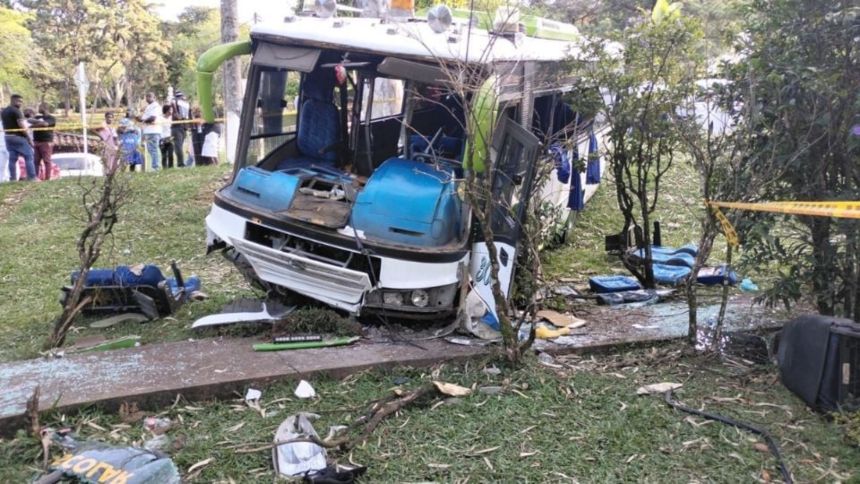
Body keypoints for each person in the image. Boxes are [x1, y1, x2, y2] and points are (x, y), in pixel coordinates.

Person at [1, 94, 36, 181]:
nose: (20, 103)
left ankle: (12, 178)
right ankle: (32, 177)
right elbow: (22, 126)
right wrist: (29, 138)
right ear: (13, 100)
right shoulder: (16, 111)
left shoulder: (4, 111)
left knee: (12, 159)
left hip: (8, 137)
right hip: (18, 137)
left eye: (21, 102)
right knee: (29, 156)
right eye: (19, 101)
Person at [32, 103, 57, 180]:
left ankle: (47, 178)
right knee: (36, 161)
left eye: (40, 107)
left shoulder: (51, 118)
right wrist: (38, 123)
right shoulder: (37, 117)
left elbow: (45, 124)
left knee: (47, 160)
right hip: (36, 141)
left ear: (44, 108)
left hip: (46, 142)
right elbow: (30, 124)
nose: (38, 109)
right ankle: (35, 178)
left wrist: (37, 124)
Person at [139, 92, 162, 171]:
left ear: (154, 97)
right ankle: (155, 166)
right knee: (151, 149)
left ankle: (156, 167)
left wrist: (143, 121)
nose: (147, 98)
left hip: (153, 130)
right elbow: (144, 118)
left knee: (153, 149)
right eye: (146, 97)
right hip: (148, 131)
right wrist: (139, 119)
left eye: (149, 96)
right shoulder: (149, 106)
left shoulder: (155, 106)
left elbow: (153, 118)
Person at [171, 90, 190, 167]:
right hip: (183, 126)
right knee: (179, 145)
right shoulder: (185, 103)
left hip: (177, 126)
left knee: (178, 146)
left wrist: (179, 117)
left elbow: (176, 114)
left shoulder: (175, 101)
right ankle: (181, 163)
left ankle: (181, 163)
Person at [160, 104, 175, 169]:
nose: (171, 111)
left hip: (170, 138)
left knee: (170, 154)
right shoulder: (160, 118)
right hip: (162, 138)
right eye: (170, 110)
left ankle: (171, 167)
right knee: (164, 155)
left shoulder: (171, 118)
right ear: (166, 111)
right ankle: (165, 168)